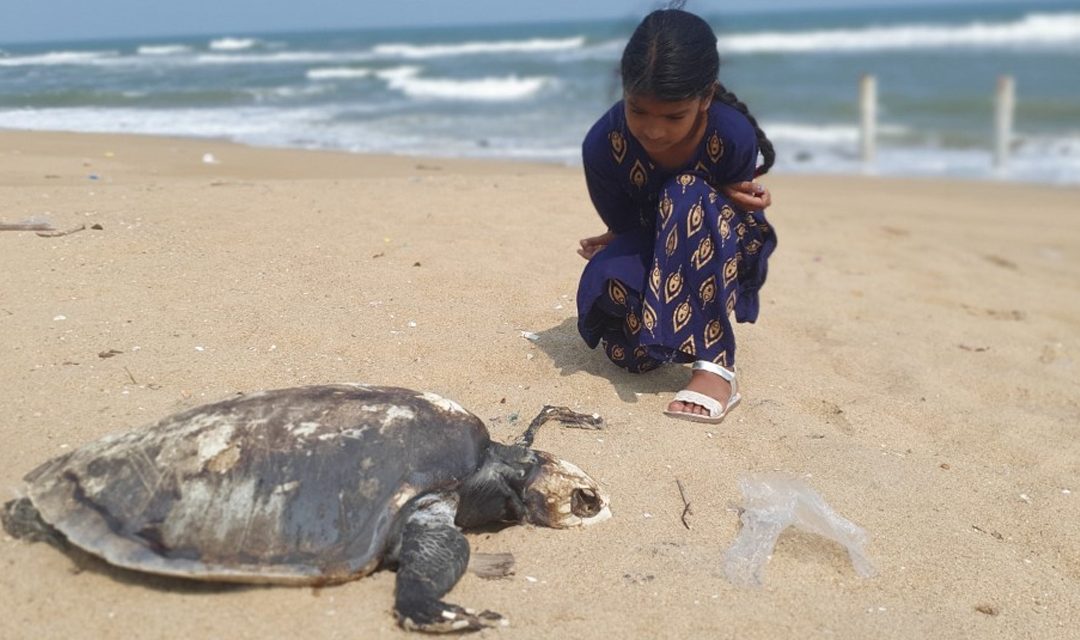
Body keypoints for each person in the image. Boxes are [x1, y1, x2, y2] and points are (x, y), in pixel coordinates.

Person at [575, 5, 777, 424]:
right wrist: (614, 239)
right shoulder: (602, 144)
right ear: (624, 91)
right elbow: (630, 225)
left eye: (673, 116)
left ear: (705, 97)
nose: (653, 130)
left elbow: (731, 218)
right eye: (638, 110)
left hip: (719, 244)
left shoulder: (731, 135)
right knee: (630, 349)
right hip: (654, 238)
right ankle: (675, 330)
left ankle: (716, 364)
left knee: (685, 191)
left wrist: (724, 193)